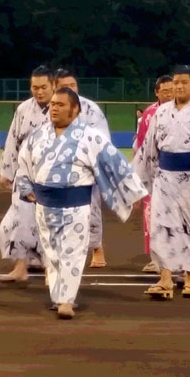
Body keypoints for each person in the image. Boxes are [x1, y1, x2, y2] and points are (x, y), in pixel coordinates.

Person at [16, 87, 147, 319]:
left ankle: (67, 300)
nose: (54, 109)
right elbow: (24, 164)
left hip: (75, 205)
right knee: (52, 254)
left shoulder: (90, 136)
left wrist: (132, 191)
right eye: (53, 104)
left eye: (61, 105)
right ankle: (58, 297)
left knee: (72, 253)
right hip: (44, 205)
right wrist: (26, 188)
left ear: (75, 109)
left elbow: (115, 162)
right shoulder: (37, 135)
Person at [133, 65, 190, 300]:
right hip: (165, 177)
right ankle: (165, 278)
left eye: (184, 82)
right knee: (161, 226)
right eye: (176, 82)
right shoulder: (161, 112)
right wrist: (138, 180)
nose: (179, 86)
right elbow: (148, 147)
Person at [0, 65, 54, 282]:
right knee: (19, 222)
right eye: (35, 87)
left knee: (49, 223)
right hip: (24, 174)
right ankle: (21, 268)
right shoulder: (23, 109)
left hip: (51, 176)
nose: (39, 91)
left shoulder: (61, 107)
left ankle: (51, 270)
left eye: (43, 87)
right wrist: (6, 171)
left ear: (53, 85)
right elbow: (12, 140)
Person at [54, 69, 110, 268]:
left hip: (86, 166)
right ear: (56, 87)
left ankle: (96, 248)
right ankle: (60, 254)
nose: (71, 89)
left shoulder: (90, 108)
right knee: (56, 211)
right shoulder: (52, 108)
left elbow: (102, 139)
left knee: (91, 209)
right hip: (57, 168)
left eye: (73, 85)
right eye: (65, 86)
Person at [133, 75, 174, 272]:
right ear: (157, 92)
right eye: (164, 91)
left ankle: (175, 257)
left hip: (174, 173)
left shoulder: (182, 111)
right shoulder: (148, 114)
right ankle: (155, 257)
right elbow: (141, 145)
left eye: (171, 90)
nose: (168, 94)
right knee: (150, 215)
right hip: (152, 173)